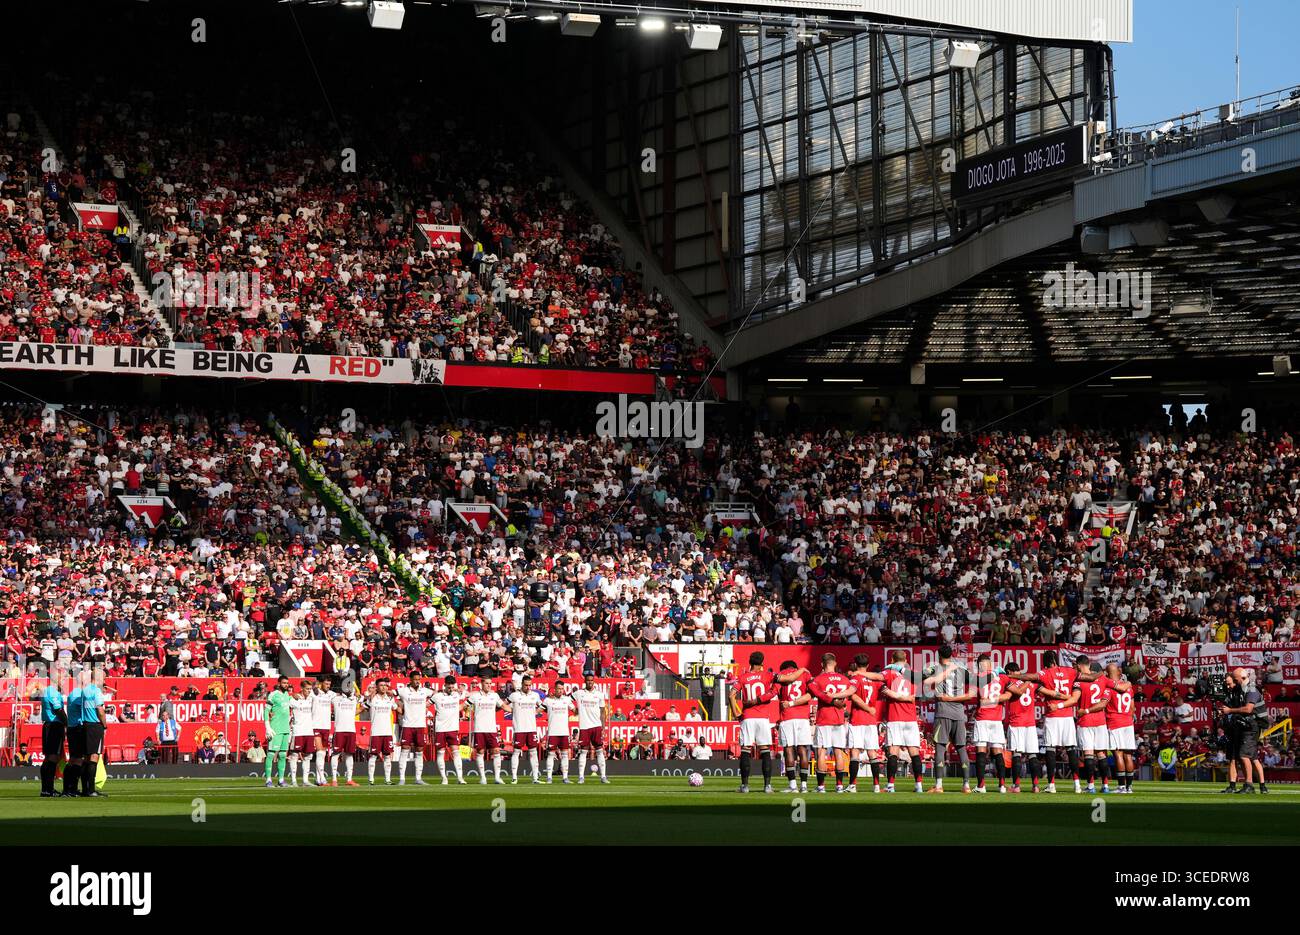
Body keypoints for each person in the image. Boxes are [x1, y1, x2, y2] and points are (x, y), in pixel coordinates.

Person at [923, 645, 973, 793]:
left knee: (940, 747)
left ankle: (938, 786)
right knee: (961, 748)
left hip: (943, 712)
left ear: (939, 655)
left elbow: (923, 677)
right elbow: (974, 684)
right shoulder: (962, 669)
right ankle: (966, 785)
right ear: (951, 655)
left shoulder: (935, 667)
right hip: (959, 713)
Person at [808, 653, 856, 793]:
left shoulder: (818, 679)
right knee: (838, 751)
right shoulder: (844, 679)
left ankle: (821, 786)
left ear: (822, 664)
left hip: (824, 719)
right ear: (835, 663)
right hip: (839, 720)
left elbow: (814, 690)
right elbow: (849, 695)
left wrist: (830, 700)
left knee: (821, 751)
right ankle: (839, 786)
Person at [731, 650, 776, 794]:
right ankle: (767, 786)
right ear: (762, 663)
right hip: (763, 718)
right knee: (765, 751)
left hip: (748, 717)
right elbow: (780, 682)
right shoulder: (767, 675)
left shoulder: (743, 677)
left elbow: (731, 694)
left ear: (750, 662)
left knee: (745, 751)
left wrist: (735, 712)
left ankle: (745, 786)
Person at [1219, 668, 1269, 794]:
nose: (1234, 683)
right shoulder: (1243, 689)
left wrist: (1230, 711)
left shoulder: (1251, 689)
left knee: (1245, 755)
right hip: (1246, 725)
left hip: (1252, 725)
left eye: (1235, 680)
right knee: (1247, 756)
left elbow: (1248, 709)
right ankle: (1257, 786)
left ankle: (1250, 784)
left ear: (1242, 678)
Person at [881, 650, 925, 793]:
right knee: (914, 753)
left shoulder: (888, 673)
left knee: (893, 752)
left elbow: (878, 682)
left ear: (892, 659)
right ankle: (919, 785)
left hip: (895, 718)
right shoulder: (913, 674)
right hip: (911, 718)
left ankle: (891, 786)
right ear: (906, 659)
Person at [969, 654, 1012, 794]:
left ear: (980, 665)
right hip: (996, 719)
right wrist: (998, 698)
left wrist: (987, 700)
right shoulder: (1003, 677)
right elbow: (1010, 694)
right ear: (990, 664)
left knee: (981, 752)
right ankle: (1002, 786)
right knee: (998, 752)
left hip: (982, 718)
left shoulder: (977, 678)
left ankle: (981, 786)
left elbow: (976, 697)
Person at [845, 654, 886, 793]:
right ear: (868, 665)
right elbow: (884, 688)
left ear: (856, 665)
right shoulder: (874, 679)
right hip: (870, 720)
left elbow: (853, 695)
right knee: (872, 753)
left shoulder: (855, 678)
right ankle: (876, 786)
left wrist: (867, 708)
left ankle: (852, 786)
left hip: (857, 719)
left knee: (855, 752)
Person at [776, 660, 814, 793]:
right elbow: (811, 694)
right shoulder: (804, 674)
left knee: (789, 750)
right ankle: (804, 785)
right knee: (802, 750)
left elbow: (774, 692)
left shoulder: (781, 674)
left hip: (787, 717)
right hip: (803, 717)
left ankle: (793, 786)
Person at [1004, 662, 1042, 793]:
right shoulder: (1031, 683)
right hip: (1030, 724)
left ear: (1009, 671)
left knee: (1016, 754)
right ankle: (1036, 786)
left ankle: (1017, 786)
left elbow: (1018, 692)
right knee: (1032, 755)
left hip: (1016, 723)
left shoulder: (1010, 682)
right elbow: (1044, 688)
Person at [1102, 663, 1137, 793]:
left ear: (1108, 673)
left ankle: (1121, 787)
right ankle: (1129, 787)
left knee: (1118, 755)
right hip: (1128, 722)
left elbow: (1104, 704)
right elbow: (1133, 708)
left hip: (1115, 722)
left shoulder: (1109, 688)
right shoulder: (1128, 687)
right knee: (1128, 756)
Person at [395, 672, 434, 785]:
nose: (417, 681)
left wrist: (427, 704)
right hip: (407, 725)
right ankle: (402, 778)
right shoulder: (404, 691)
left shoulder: (424, 691)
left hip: (420, 726)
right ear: (410, 680)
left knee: (419, 751)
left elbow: (435, 694)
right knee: (404, 750)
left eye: (419, 679)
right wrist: (399, 706)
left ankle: (418, 778)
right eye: (415, 679)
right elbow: (390, 694)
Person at [468, 676, 507, 784]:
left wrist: (517, 710)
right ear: (481, 684)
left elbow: (503, 706)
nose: (489, 685)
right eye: (487, 683)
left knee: (496, 751)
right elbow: (464, 705)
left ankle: (497, 778)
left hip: (491, 728)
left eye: (490, 683)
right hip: (479, 728)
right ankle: (483, 778)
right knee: (480, 752)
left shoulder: (494, 695)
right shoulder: (475, 696)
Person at [573, 673, 611, 784]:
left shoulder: (599, 694)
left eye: (592, 680)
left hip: (596, 726)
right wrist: (574, 709)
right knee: (583, 752)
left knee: (599, 751)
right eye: (588, 680)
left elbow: (603, 711)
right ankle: (581, 777)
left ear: (594, 682)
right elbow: (568, 699)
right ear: (585, 681)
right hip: (584, 726)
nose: (590, 682)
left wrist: (603, 726)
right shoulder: (579, 693)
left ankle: (603, 776)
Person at [507, 674, 543, 784]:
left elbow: (542, 706)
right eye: (526, 685)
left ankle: (535, 778)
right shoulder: (514, 695)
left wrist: (535, 712)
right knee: (516, 752)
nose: (528, 687)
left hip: (531, 728)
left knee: (533, 752)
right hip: (519, 728)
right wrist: (513, 712)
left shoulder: (535, 695)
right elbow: (504, 705)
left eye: (530, 685)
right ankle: (514, 778)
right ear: (522, 684)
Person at [431, 675, 467, 785]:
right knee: (440, 753)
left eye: (452, 687)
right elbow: (426, 704)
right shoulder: (437, 696)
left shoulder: (456, 695)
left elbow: (469, 695)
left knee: (456, 752)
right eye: (449, 687)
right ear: (444, 685)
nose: (451, 689)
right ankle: (444, 778)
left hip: (453, 728)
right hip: (440, 729)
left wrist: (461, 690)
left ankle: (460, 778)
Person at [364, 678, 399, 785]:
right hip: (376, 732)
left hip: (387, 731)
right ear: (377, 687)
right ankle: (371, 779)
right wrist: (370, 694)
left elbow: (397, 708)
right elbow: (364, 702)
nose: (384, 687)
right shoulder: (372, 698)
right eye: (381, 685)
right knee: (373, 756)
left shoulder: (390, 698)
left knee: (387, 756)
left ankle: (387, 779)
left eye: (385, 685)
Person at [36, 679, 66, 797]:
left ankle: (45, 789)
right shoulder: (53, 692)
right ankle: (49, 789)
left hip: (48, 725)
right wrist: (67, 723)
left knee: (48, 758)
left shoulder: (47, 691)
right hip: (54, 725)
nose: (63, 681)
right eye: (62, 679)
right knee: (53, 757)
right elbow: (58, 709)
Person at [543, 679, 576, 783]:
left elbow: (575, 710)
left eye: (562, 688)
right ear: (555, 689)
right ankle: (549, 777)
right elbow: (539, 710)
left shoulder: (566, 700)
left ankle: (565, 777)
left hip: (564, 732)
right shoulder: (548, 700)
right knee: (551, 755)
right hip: (553, 732)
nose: (560, 690)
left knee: (565, 754)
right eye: (559, 688)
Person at [263, 675, 293, 787]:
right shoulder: (273, 694)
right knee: (270, 754)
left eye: (287, 683)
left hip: (285, 729)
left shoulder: (287, 695)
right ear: (279, 683)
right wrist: (267, 727)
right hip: (275, 729)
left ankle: (281, 780)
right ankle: (268, 780)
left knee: (282, 755)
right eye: (284, 683)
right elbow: (266, 711)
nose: (286, 685)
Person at [329, 683, 360, 786]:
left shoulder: (355, 699)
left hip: (351, 730)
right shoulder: (335, 698)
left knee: (349, 754)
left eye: (350, 687)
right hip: (339, 730)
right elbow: (324, 693)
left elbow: (366, 699)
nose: (349, 688)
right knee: (336, 754)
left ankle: (349, 780)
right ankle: (334, 780)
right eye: (347, 686)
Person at [288, 681, 316, 786]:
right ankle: (293, 781)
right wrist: (292, 695)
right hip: (298, 731)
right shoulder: (294, 699)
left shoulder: (311, 698)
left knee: (308, 756)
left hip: (309, 731)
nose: (309, 691)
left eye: (310, 689)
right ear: (302, 688)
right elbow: (287, 701)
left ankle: (305, 780)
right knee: (294, 755)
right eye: (307, 689)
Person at [310, 677, 336, 788]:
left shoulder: (331, 694)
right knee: (320, 752)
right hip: (315, 725)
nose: (328, 686)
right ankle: (323, 779)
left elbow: (341, 697)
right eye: (326, 684)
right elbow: (303, 693)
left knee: (323, 754)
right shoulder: (314, 693)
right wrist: (313, 686)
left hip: (326, 726)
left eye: (329, 684)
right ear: (321, 684)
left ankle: (318, 778)